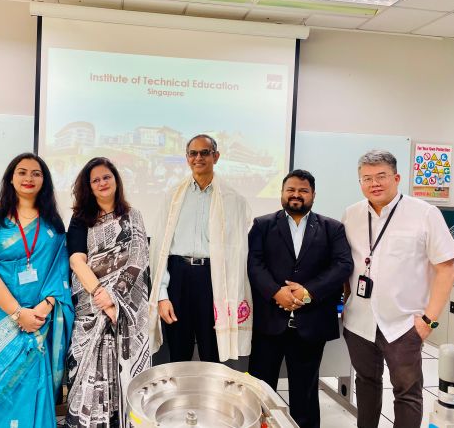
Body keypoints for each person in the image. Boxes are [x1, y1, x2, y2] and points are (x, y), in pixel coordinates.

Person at [342, 150, 454, 428]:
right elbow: (347, 265)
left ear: (396, 178)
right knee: (366, 383)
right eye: (366, 178)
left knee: (407, 392)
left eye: (381, 176)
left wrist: (428, 321)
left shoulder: (424, 214)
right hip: (359, 321)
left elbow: (446, 269)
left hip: (404, 323)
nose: (374, 183)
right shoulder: (351, 214)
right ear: (360, 182)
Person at [0, 153, 74, 428]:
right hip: (1, 318)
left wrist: (44, 307)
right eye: (22, 172)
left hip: (40, 318)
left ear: (44, 181)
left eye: (36, 173)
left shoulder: (53, 225)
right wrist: (19, 313)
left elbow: (60, 273)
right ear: (10, 178)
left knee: (33, 387)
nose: (29, 178)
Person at [247, 169, 353, 428]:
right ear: (282, 193)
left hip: (311, 324)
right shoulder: (262, 225)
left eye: (303, 190)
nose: (296, 195)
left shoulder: (332, 228)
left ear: (313, 195)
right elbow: (254, 264)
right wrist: (277, 292)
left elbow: (343, 265)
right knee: (261, 390)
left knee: (305, 393)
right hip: (269, 323)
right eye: (291, 190)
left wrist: (308, 292)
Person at [149, 134, 252, 363]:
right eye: (193, 153)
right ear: (187, 158)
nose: (198, 158)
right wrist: (162, 296)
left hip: (213, 279)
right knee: (178, 352)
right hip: (179, 277)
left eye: (205, 152)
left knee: (212, 353)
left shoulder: (233, 199)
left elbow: (237, 254)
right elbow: (160, 249)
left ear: (216, 156)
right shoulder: (173, 196)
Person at [65, 157, 150, 428]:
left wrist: (116, 297)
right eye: (95, 180)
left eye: (106, 177)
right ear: (89, 187)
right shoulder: (81, 219)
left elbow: (138, 257)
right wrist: (102, 295)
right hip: (91, 306)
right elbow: (77, 261)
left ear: (116, 180)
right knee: (88, 376)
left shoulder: (133, 216)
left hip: (128, 308)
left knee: (127, 379)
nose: (102, 183)